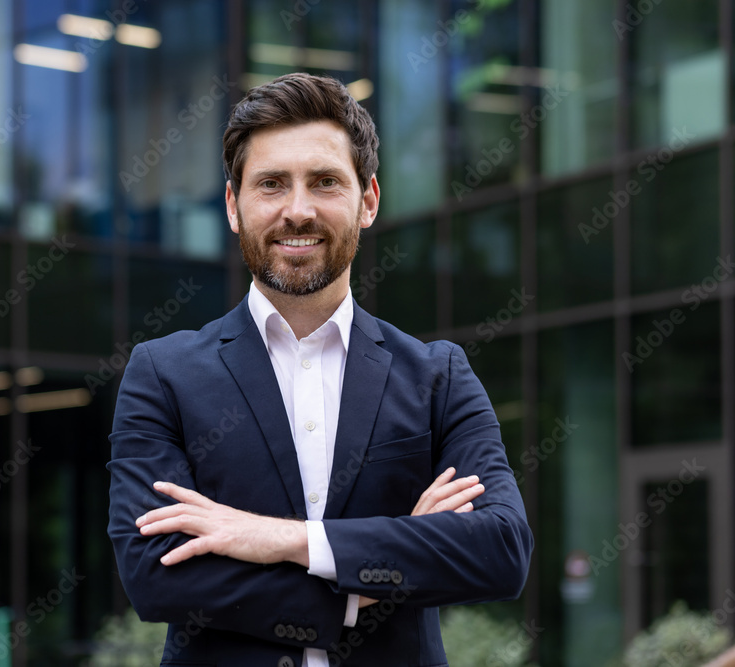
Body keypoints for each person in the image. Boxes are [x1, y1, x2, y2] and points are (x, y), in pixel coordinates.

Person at [107, 72, 533, 667]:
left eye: (325, 182)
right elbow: (155, 574)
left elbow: (500, 550)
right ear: (233, 206)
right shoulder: (162, 375)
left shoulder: (438, 376)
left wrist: (281, 539)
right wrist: (377, 577)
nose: (298, 211)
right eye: (272, 184)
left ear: (369, 201)